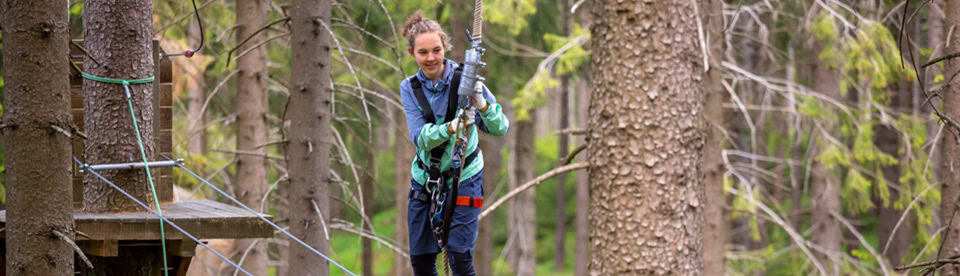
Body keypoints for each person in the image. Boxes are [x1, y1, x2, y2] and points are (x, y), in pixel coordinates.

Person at [400, 10, 509, 276]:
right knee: (422, 261)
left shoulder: (466, 78)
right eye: (423, 52)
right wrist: (452, 127)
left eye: (436, 50)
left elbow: (500, 127)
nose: (431, 58)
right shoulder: (410, 87)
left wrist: (481, 104)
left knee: (460, 258)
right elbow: (420, 138)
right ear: (412, 53)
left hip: (465, 175)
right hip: (426, 178)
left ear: (445, 47)